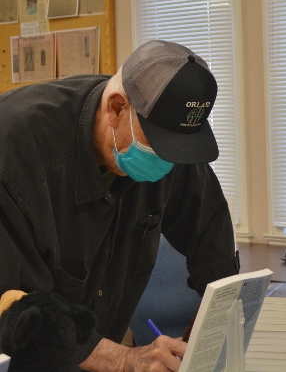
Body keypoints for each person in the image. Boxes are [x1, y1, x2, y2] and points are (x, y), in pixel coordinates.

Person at [0, 40, 239, 371]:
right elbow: (13, 306)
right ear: (116, 108)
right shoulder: (15, 147)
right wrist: (126, 359)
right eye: (159, 146)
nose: (169, 163)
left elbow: (214, 249)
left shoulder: (170, 135)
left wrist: (201, 345)